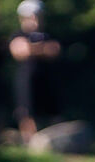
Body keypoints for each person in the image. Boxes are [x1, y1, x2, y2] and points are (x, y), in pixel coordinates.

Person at [9, 0, 61, 140]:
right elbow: (20, 51)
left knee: (50, 111)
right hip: (26, 79)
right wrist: (43, 48)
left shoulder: (48, 34)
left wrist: (32, 48)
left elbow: (54, 50)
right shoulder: (18, 34)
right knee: (27, 111)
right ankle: (30, 142)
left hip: (47, 78)